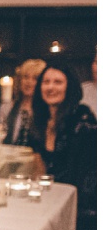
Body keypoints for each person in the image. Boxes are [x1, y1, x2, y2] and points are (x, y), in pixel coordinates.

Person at [27, 59, 96, 192]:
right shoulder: (40, 121)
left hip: (77, 201)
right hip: (47, 194)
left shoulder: (83, 123)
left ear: (69, 87)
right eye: (46, 82)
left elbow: (87, 179)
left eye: (58, 82)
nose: (50, 87)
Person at [0, 58, 46, 145]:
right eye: (26, 77)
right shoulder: (7, 108)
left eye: (35, 78)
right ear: (20, 80)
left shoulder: (47, 110)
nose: (29, 82)